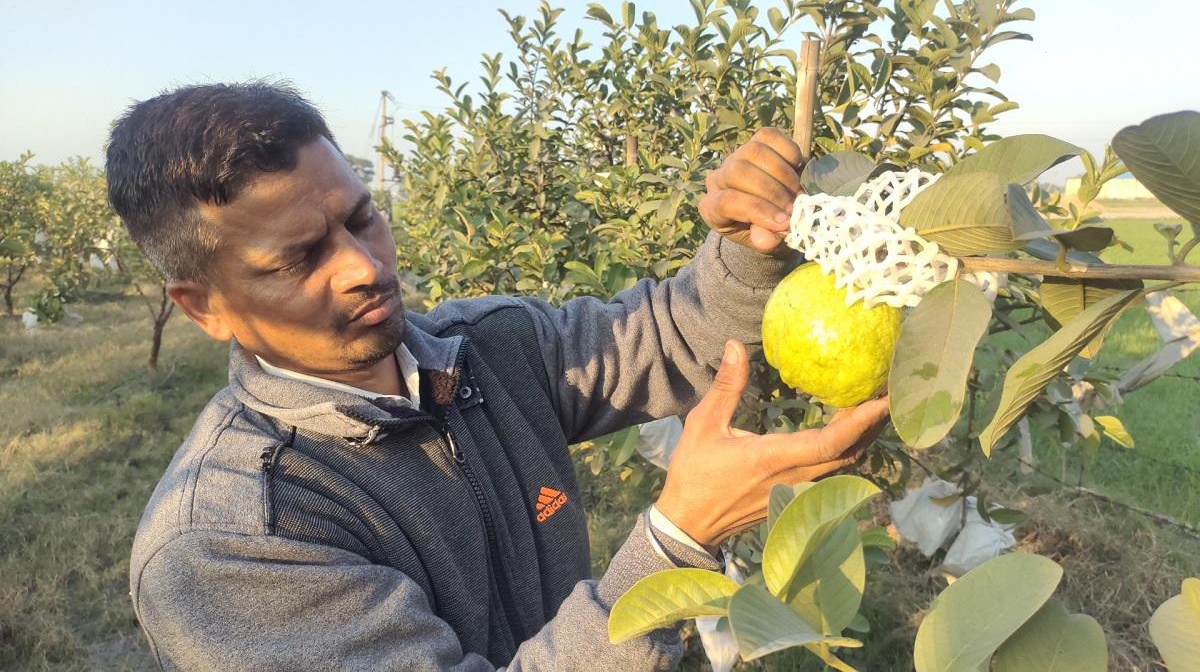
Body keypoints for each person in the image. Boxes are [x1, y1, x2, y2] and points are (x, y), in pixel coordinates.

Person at [108, 81, 888, 670]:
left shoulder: (489, 349)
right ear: (203, 306)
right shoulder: (227, 543)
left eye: (361, 217)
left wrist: (752, 243)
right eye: (298, 258)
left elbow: (677, 334)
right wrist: (677, 540)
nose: (361, 265)